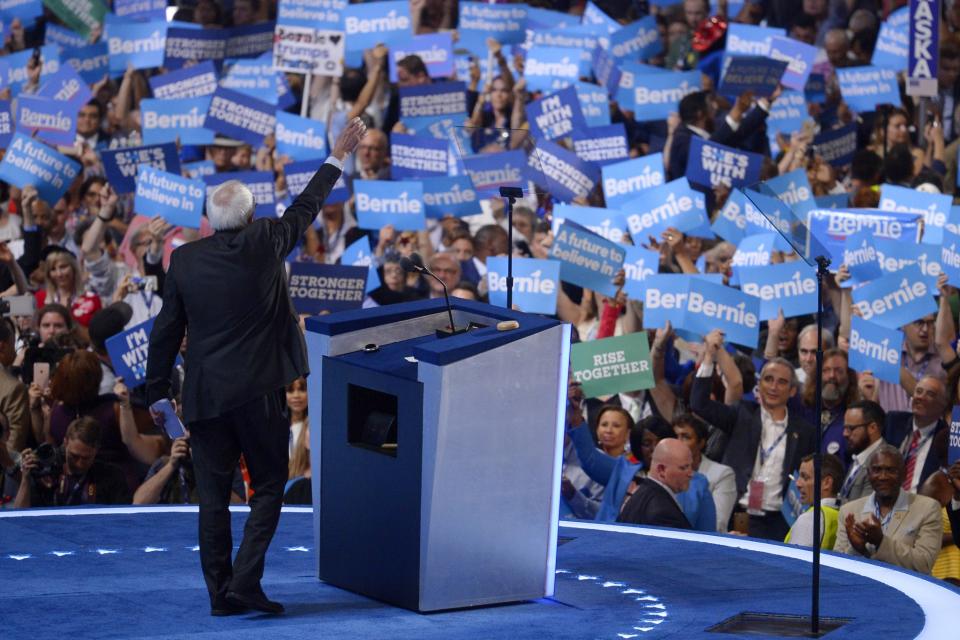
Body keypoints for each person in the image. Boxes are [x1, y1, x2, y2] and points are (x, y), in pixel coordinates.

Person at [145, 117, 366, 617]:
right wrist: (337, 156)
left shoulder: (183, 261)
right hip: (259, 394)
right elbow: (307, 206)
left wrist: (156, 392)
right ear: (246, 219)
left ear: (211, 220)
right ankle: (246, 581)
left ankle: (220, 595)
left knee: (214, 497)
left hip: (204, 397)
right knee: (268, 486)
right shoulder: (266, 239)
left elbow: (164, 331)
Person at [690, 352, 817, 540]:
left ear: (792, 391)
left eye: (782, 382)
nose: (774, 387)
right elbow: (699, 404)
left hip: (778, 523)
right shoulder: (741, 414)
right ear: (759, 384)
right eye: (768, 379)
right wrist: (709, 357)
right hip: (737, 515)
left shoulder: (805, 432)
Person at [835, 445, 942, 574]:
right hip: (862, 591)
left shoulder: (927, 508)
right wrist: (857, 549)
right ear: (868, 474)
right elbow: (838, 570)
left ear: (904, 474)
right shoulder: (849, 511)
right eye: (877, 470)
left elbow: (924, 563)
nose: (883, 476)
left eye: (891, 470)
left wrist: (881, 542)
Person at [14, 416, 130, 507]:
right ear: (65, 443)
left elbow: (121, 521)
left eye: (86, 458)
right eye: (74, 456)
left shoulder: (111, 477)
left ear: (96, 450)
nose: (79, 463)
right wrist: (25, 478)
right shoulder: (45, 470)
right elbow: (19, 517)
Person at [883, 375, 949, 494]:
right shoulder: (893, 421)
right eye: (918, 392)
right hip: (888, 497)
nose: (920, 397)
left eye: (930, 394)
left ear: (942, 405)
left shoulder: (946, 437)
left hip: (922, 503)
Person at [673, 414, 737, 531]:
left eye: (686, 437)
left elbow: (718, 523)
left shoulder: (721, 474)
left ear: (701, 443)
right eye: (675, 436)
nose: (678, 442)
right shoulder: (666, 473)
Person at [617, 438, 694, 529]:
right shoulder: (663, 513)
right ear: (661, 470)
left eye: (690, 466)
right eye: (683, 468)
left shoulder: (640, 494)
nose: (691, 474)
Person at [785, 453, 844, 549]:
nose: (798, 484)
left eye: (805, 477)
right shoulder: (840, 514)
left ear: (826, 483)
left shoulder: (810, 519)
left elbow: (795, 562)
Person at [839, 400, 886, 503]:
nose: (845, 434)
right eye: (844, 428)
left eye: (850, 428)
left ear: (872, 428)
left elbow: (864, 511)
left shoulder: (882, 463)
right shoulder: (860, 456)